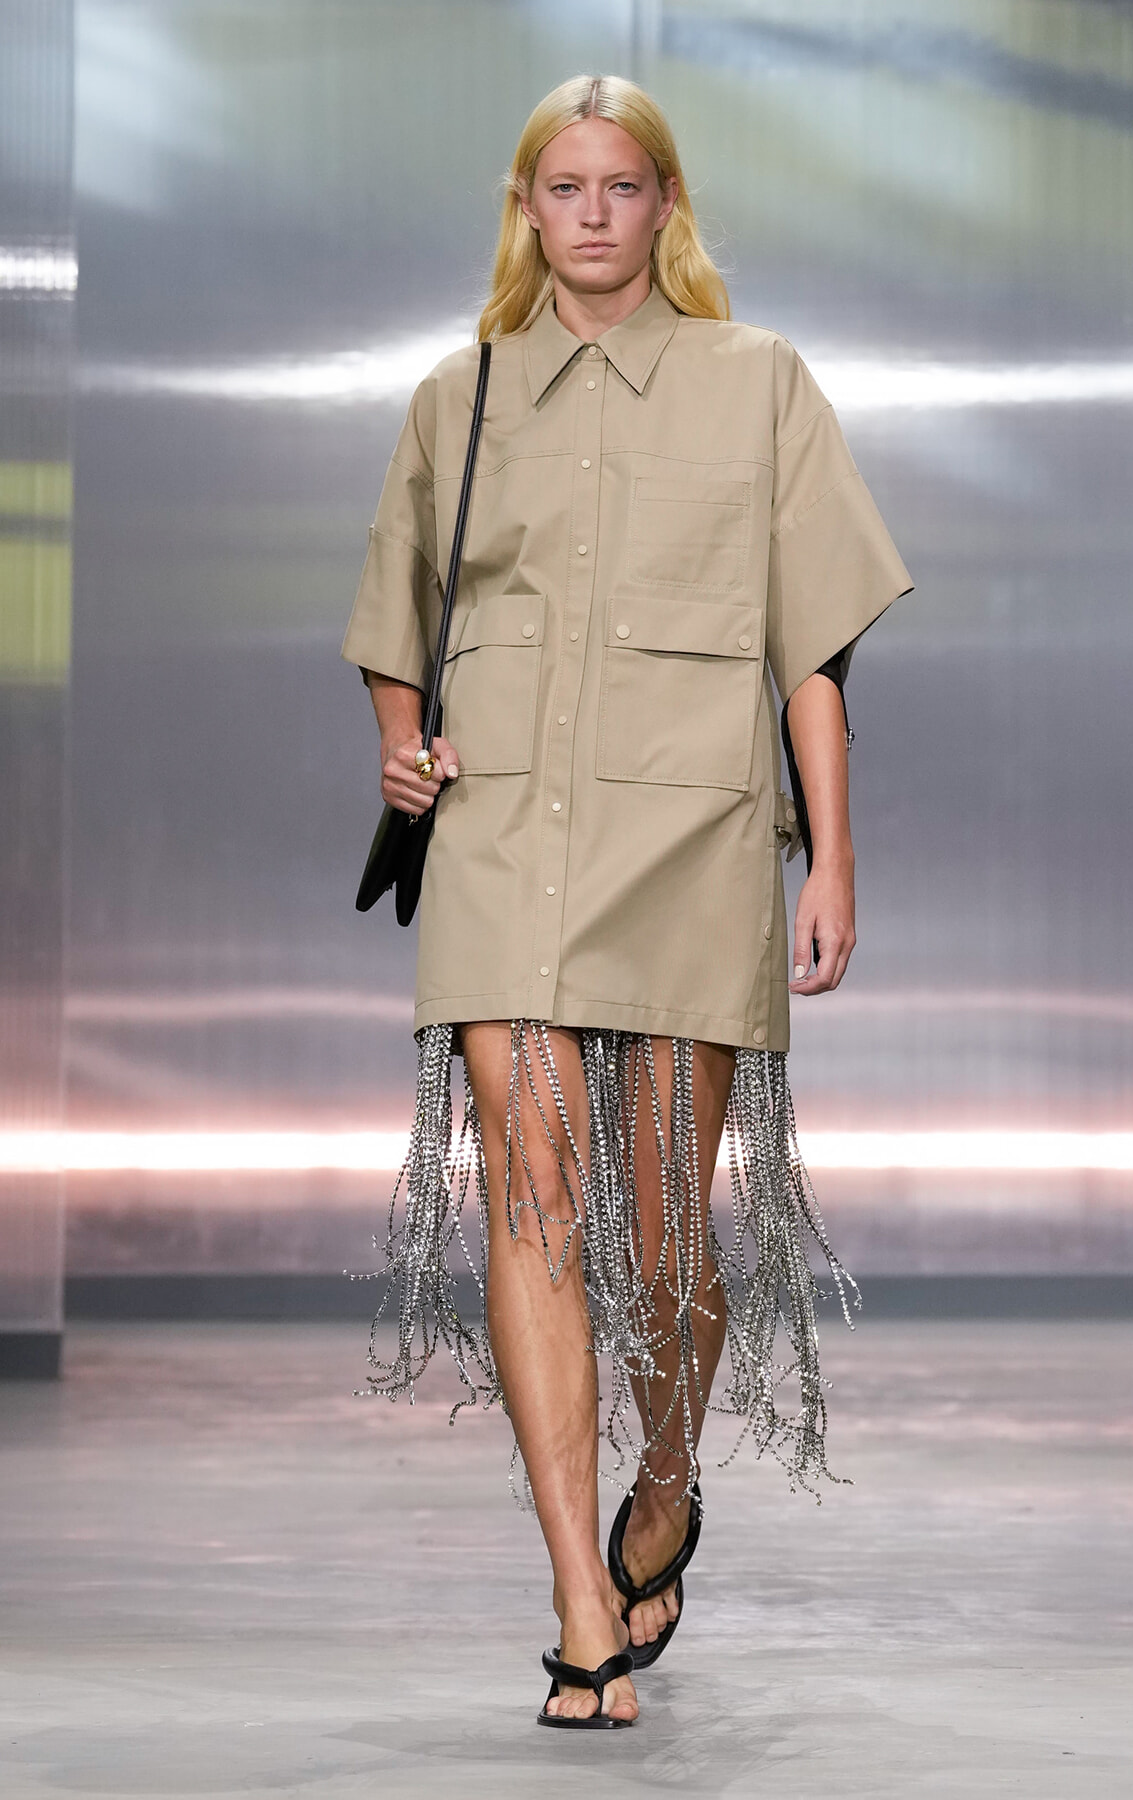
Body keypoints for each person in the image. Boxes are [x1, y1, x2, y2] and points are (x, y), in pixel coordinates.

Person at [342, 74, 911, 1730]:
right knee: (532, 1198)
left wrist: (837, 859)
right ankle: (580, 1599)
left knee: (664, 1234)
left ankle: (665, 1482)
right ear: (528, 208)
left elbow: (811, 639)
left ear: (669, 206)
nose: (592, 213)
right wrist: (399, 749)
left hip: (694, 836)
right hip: (506, 830)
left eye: (624, 185)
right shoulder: (464, 394)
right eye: (563, 186)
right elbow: (399, 610)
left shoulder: (761, 387)